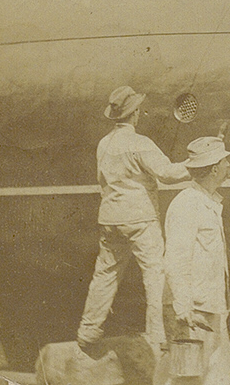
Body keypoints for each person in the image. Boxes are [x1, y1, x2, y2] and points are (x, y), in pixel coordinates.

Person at [77, 86, 190, 352]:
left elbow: (101, 180)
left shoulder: (104, 144)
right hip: (140, 219)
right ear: (136, 113)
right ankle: (157, 336)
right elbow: (167, 173)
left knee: (105, 274)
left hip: (110, 218)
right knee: (154, 274)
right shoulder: (140, 143)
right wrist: (195, 163)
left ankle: (88, 331)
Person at [163, 136, 230, 384]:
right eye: (225, 160)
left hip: (211, 307)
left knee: (215, 377)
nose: (228, 165)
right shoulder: (187, 203)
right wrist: (183, 308)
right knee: (188, 379)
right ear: (214, 168)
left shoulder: (207, 202)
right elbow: (175, 259)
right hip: (194, 311)